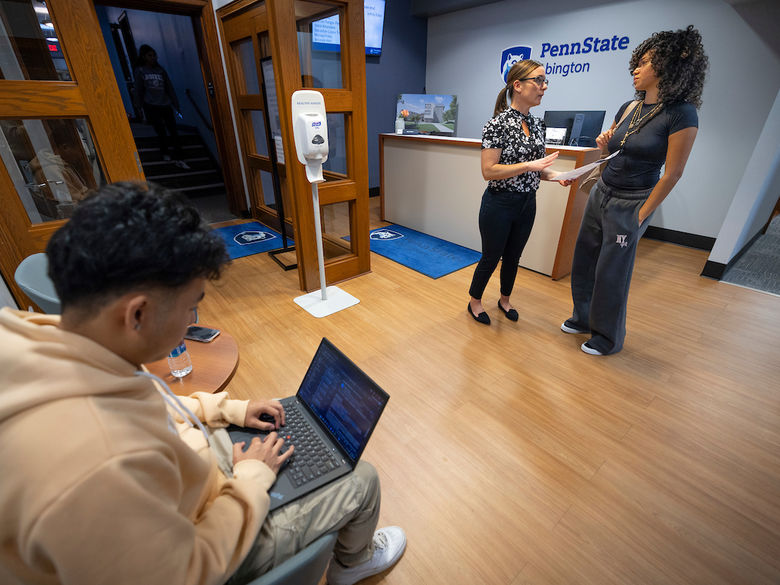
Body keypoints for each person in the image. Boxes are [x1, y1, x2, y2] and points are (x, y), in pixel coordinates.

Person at [0, 182, 406, 585]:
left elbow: (149, 400)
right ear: (137, 314)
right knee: (362, 478)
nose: (193, 321)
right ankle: (353, 566)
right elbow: (189, 572)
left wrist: (227, 410)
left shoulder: (44, 336)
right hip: (209, 537)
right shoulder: (99, 467)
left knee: (290, 431)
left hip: (190, 480)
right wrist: (251, 480)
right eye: (191, 305)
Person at [561, 26, 708, 355]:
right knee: (584, 260)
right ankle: (582, 317)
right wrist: (602, 148)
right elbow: (614, 151)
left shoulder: (682, 113)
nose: (635, 69)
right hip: (603, 191)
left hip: (632, 201)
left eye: (644, 62)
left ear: (668, 66)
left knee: (611, 271)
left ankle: (606, 337)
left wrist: (640, 215)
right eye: (636, 63)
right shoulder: (629, 106)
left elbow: (673, 174)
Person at [467, 59, 572, 325]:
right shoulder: (497, 124)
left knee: (514, 256)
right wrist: (528, 165)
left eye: (545, 81)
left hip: (527, 203)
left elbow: (537, 170)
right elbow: (488, 171)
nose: (544, 86)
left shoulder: (538, 125)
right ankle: (475, 302)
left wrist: (559, 176)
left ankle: (504, 299)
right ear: (518, 85)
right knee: (491, 256)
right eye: (538, 80)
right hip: (499, 203)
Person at [133, 44, 190, 169]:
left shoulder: (160, 70)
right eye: (150, 56)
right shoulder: (141, 71)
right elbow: (138, 90)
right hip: (151, 106)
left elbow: (169, 88)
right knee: (161, 131)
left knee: (173, 131)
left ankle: (180, 158)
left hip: (165, 104)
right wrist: (138, 107)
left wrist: (176, 104)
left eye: (154, 55)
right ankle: (165, 153)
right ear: (144, 57)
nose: (153, 58)